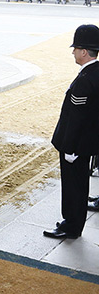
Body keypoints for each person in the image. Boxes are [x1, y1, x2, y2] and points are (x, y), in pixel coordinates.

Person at [44, 24, 99, 239]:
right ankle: (74, 223)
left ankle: (71, 226)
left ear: (84, 51)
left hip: (76, 145)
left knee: (73, 186)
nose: (73, 52)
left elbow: (77, 118)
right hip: (84, 143)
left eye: (75, 49)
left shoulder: (86, 80)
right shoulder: (94, 74)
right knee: (79, 185)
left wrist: (70, 148)